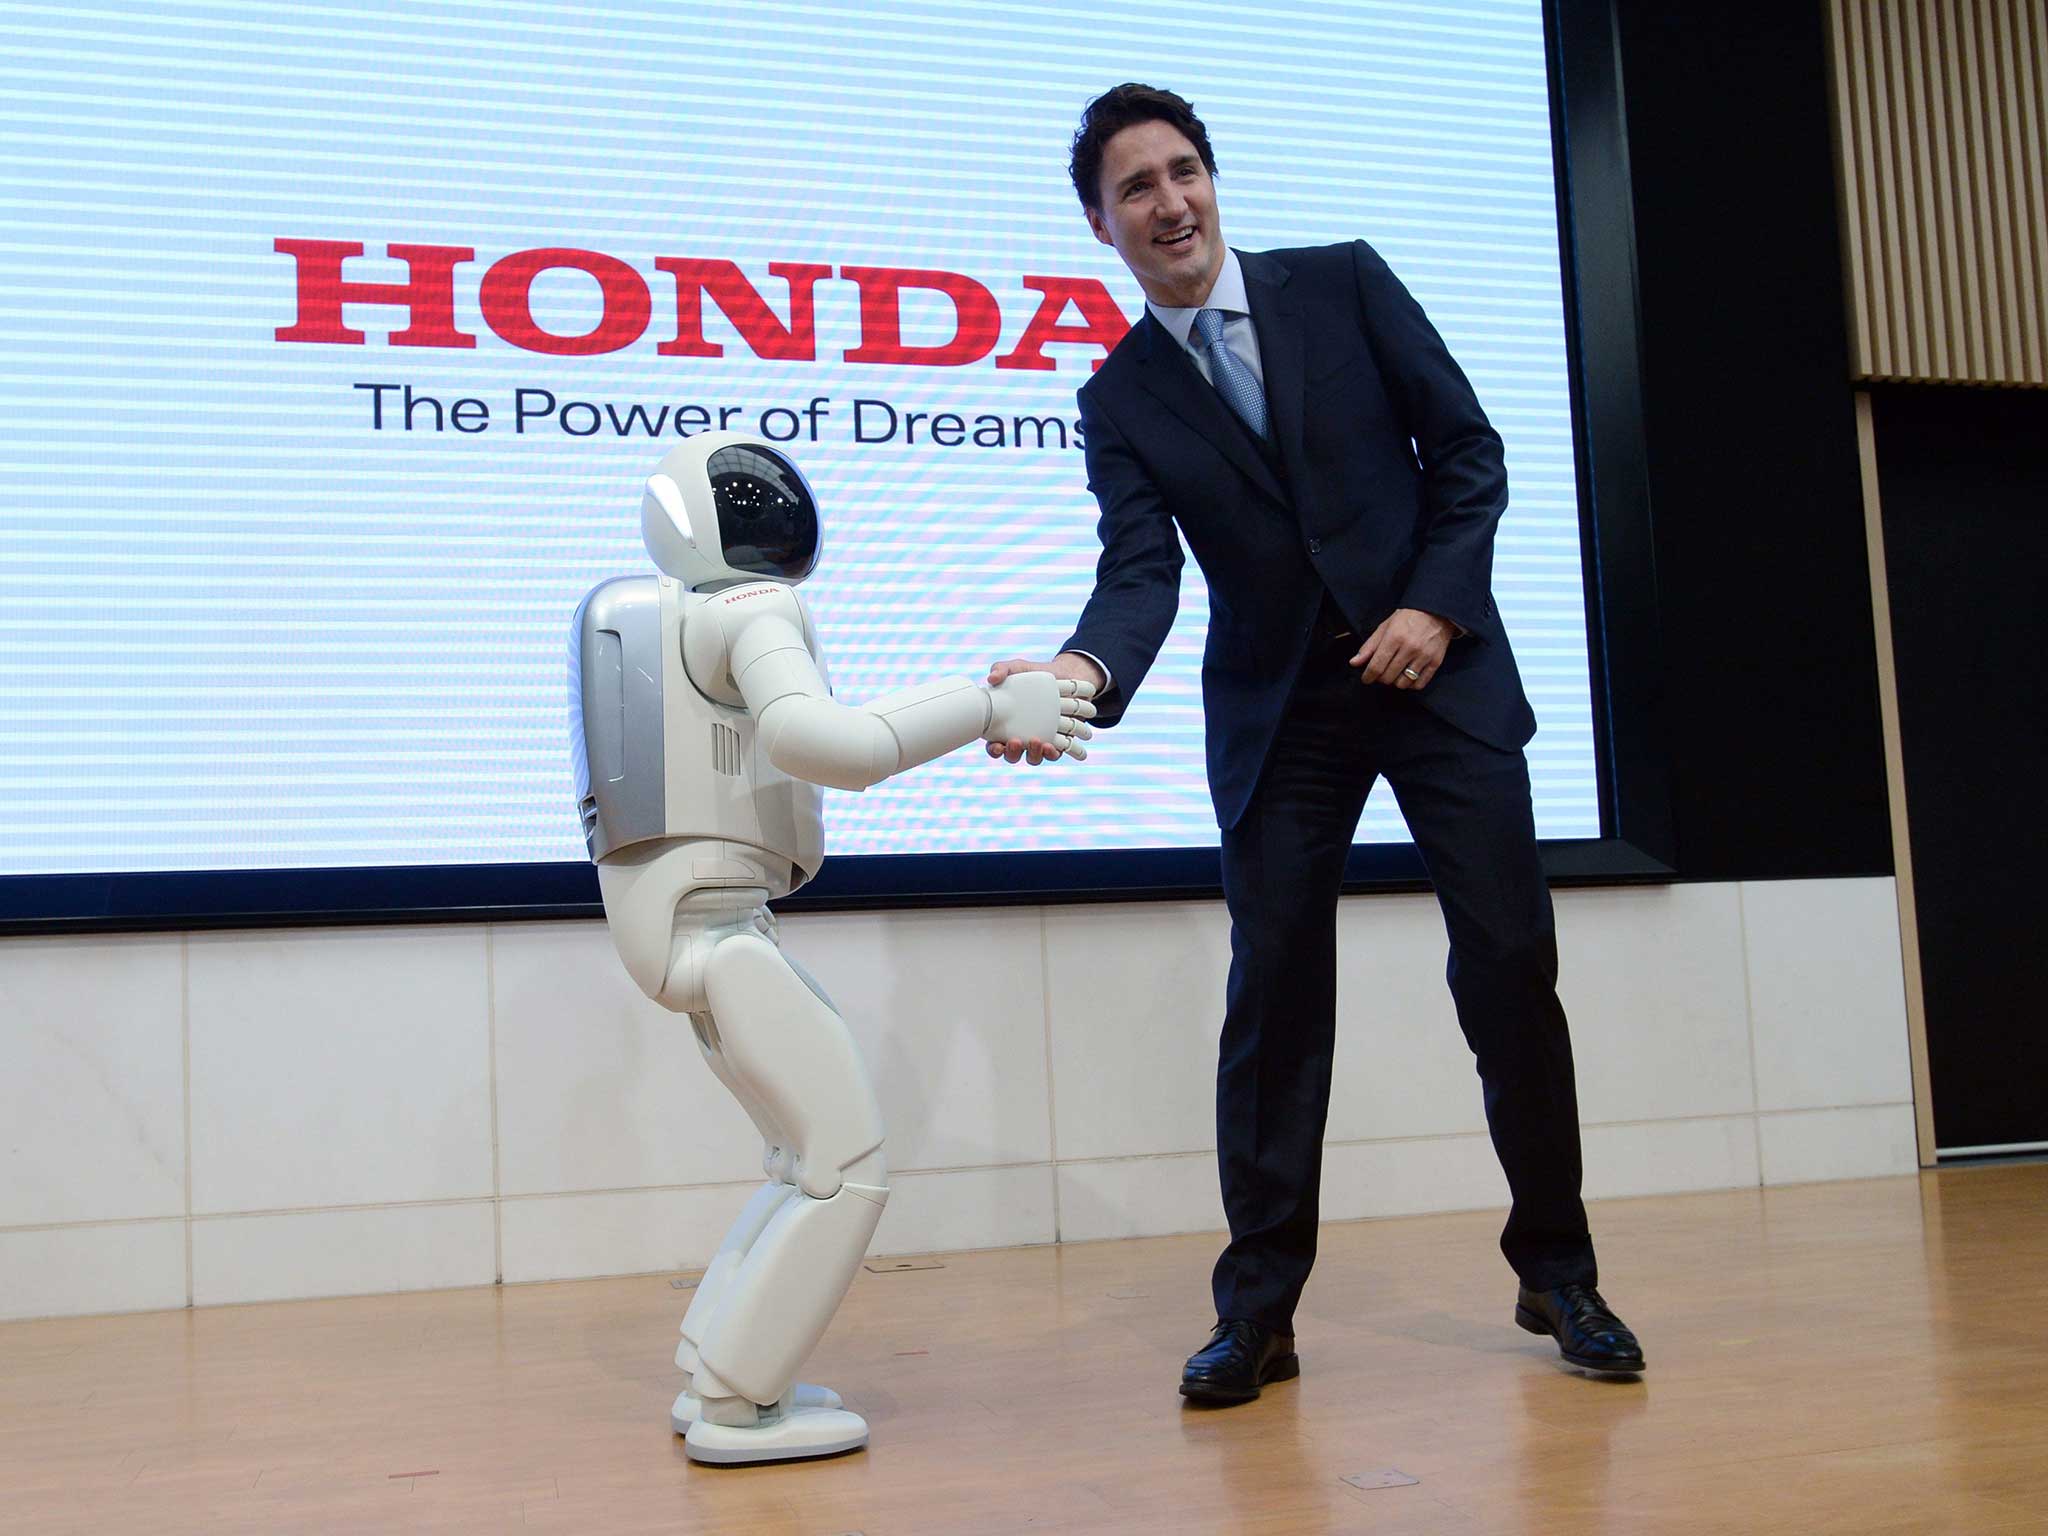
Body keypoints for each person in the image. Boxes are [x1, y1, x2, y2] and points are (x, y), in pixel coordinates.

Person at [987, 84, 1644, 1400]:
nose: (1170, 201)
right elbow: (1140, 576)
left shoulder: (1342, 284)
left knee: (1509, 967)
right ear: (1100, 225)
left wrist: (1432, 606)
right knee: (1275, 1003)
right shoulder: (1116, 396)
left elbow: (1467, 453)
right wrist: (1080, 667)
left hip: (1438, 671)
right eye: (1137, 188)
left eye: (1185, 171)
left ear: (1213, 180)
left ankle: (1559, 1273)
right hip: (1285, 712)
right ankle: (1261, 1313)